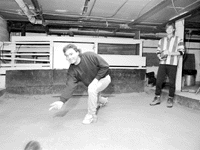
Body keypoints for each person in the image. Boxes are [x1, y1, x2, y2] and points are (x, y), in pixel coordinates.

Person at [49, 44, 111, 124]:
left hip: (104, 78)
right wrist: (62, 101)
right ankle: (103, 100)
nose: (69, 57)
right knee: (95, 95)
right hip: (93, 84)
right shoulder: (72, 71)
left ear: (77, 52)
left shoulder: (90, 56)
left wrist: (96, 80)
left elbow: (105, 66)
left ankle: (91, 115)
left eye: (71, 54)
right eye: (67, 56)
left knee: (92, 90)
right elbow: (70, 86)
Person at [150, 22, 185, 108]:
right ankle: (157, 97)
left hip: (173, 64)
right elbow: (158, 52)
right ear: (166, 30)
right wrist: (160, 57)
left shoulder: (178, 39)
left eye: (171, 28)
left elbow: (181, 52)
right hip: (163, 64)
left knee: (172, 82)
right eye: (167, 28)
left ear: (173, 29)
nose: (169, 30)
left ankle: (170, 98)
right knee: (158, 81)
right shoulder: (161, 40)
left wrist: (170, 53)